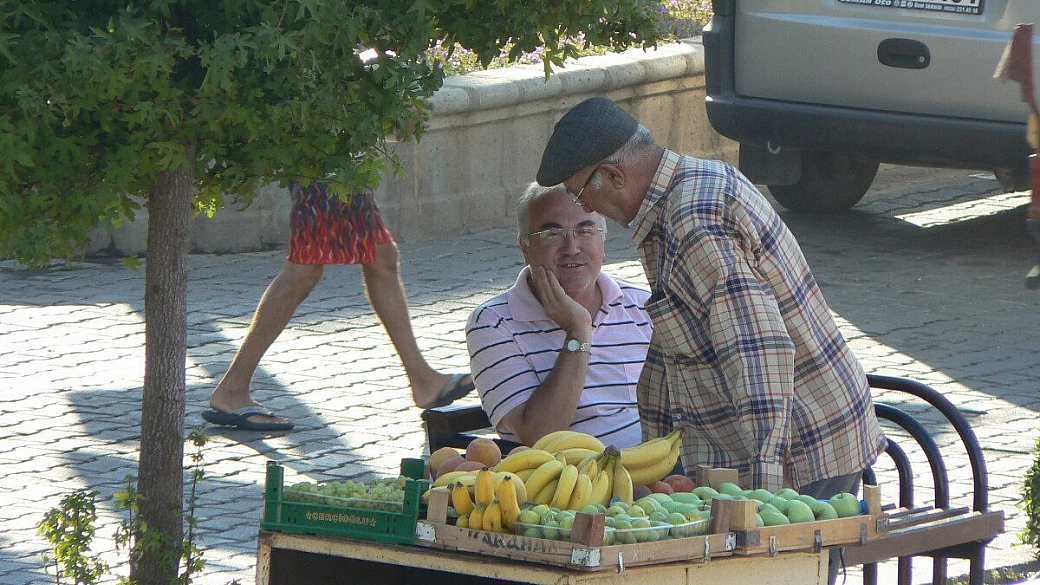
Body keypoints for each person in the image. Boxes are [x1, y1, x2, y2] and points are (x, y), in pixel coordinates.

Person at [536, 98, 886, 581]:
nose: (585, 207)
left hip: (798, 451)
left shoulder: (693, 221)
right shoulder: (680, 195)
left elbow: (758, 354)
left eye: (580, 194)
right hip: (776, 442)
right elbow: (674, 345)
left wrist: (765, 497)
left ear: (614, 176)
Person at [202, 181, 474, 431]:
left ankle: (423, 379)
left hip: (336, 152)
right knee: (305, 266)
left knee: (379, 255)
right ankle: (232, 388)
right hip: (324, 151)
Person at [466, 182, 652, 449]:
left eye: (585, 230)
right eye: (552, 233)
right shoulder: (493, 323)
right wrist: (578, 332)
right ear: (525, 247)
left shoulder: (641, 305)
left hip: (663, 476)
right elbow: (540, 436)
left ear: (604, 239)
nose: (572, 247)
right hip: (567, 484)